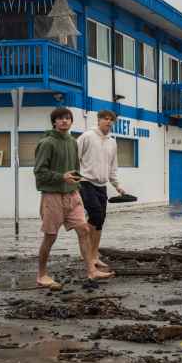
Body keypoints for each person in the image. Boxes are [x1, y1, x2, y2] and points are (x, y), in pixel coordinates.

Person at [34, 107, 112, 288]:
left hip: (72, 194)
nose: (64, 121)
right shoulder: (47, 143)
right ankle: (42, 275)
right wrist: (62, 177)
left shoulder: (72, 142)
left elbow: (76, 168)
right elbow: (39, 172)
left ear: (71, 121)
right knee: (50, 237)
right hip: (52, 196)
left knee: (84, 230)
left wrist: (77, 185)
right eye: (60, 119)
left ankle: (92, 271)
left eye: (67, 118)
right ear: (54, 122)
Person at [77, 110, 126, 274]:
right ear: (98, 120)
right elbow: (74, 158)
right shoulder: (87, 136)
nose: (109, 122)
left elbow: (113, 167)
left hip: (101, 184)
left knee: (100, 220)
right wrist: (75, 180)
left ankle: (93, 255)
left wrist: (117, 185)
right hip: (85, 182)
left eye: (112, 120)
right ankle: (86, 251)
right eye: (106, 119)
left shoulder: (112, 142)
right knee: (96, 214)